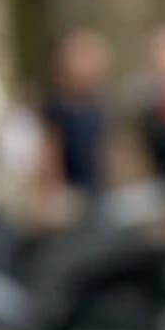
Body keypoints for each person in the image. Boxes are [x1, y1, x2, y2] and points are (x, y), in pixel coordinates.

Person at [36, 29, 112, 220]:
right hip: (75, 197)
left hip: (105, 195)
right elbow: (50, 157)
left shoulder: (104, 107)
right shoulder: (56, 109)